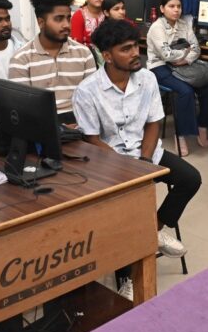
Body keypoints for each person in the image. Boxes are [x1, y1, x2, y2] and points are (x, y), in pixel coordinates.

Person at [73, 19, 200, 299]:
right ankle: (126, 277)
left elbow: (153, 123)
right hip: (109, 160)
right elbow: (92, 140)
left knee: (190, 179)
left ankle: (152, 230)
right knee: (126, 203)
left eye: (135, 47)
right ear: (107, 56)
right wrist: (127, 168)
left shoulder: (147, 78)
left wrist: (144, 161)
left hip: (145, 153)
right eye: (126, 49)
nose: (135, 54)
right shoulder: (87, 90)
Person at [146, 0, 208, 156]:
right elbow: (166, 55)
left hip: (184, 65)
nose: (176, 10)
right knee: (185, 91)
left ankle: (202, 127)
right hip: (160, 66)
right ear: (162, 9)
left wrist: (185, 59)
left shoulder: (184, 24)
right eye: (171, 6)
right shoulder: (157, 27)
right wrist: (185, 52)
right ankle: (180, 135)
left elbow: (196, 49)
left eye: (178, 6)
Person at [9, 0, 96, 122]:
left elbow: (92, 98)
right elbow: (22, 107)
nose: (66, 25)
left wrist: (81, 124)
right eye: (58, 19)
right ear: (41, 22)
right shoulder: (21, 59)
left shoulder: (83, 53)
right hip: (41, 123)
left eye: (68, 18)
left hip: (80, 120)